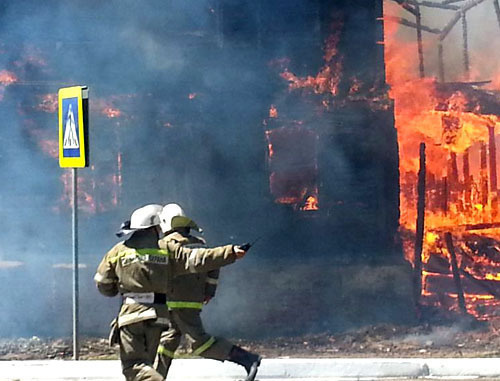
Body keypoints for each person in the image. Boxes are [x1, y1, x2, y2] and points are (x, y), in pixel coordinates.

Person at [94, 204, 248, 381]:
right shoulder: (166, 249)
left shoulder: (117, 252)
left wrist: (115, 289)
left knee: (134, 366)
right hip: (158, 316)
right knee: (146, 366)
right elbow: (197, 259)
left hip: (131, 315)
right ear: (154, 228)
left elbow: (103, 283)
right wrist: (231, 252)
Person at [155, 203, 261, 381]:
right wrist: (209, 291)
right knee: (166, 341)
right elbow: (213, 268)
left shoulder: (167, 245)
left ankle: (246, 359)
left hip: (176, 301)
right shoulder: (200, 244)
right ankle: (155, 377)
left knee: (199, 343)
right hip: (187, 301)